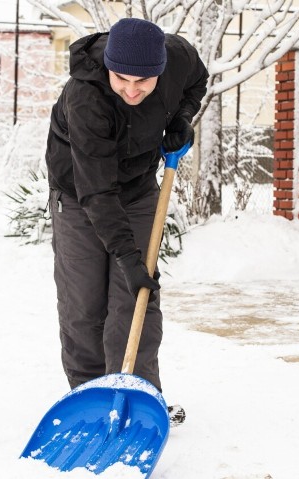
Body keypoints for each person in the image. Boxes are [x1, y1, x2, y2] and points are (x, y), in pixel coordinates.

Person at [45, 18, 208, 407]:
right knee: (84, 305)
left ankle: (137, 397)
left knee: (135, 300)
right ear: (108, 66)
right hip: (81, 194)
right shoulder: (86, 98)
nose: (132, 90)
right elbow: (97, 190)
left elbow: (197, 82)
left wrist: (181, 118)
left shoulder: (178, 59)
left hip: (137, 192)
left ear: (160, 70)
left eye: (144, 82)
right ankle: (89, 399)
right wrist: (128, 258)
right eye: (122, 79)